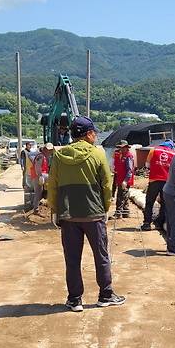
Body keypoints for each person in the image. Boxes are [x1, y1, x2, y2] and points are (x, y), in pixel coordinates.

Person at [47, 116, 125, 312]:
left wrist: (56, 210)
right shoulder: (97, 154)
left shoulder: (59, 155)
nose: (96, 136)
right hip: (93, 214)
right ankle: (105, 295)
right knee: (101, 256)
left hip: (68, 215)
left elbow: (52, 185)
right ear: (88, 134)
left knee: (72, 259)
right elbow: (107, 184)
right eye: (94, 132)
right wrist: (105, 207)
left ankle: (74, 299)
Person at [141, 140, 175, 231]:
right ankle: (160, 224)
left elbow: (147, 165)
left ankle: (147, 224)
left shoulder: (153, 150)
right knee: (164, 203)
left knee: (150, 202)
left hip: (154, 180)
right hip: (167, 182)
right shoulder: (174, 153)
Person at [112, 140, 134, 219]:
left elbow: (129, 170)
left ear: (126, 148)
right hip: (120, 178)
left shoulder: (128, 156)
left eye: (122, 148)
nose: (120, 149)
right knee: (124, 195)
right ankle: (126, 212)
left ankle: (118, 213)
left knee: (121, 196)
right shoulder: (121, 155)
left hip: (124, 180)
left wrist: (125, 181)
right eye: (120, 148)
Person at [32, 143, 54, 213]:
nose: (50, 152)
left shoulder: (46, 157)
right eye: (48, 150)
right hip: (39, 176)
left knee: (39, 192)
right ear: (45, 149)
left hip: (41, 175)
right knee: (38, 192)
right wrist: (40, 176)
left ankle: (37, 207)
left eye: (51, 150)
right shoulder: (41, 156)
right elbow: (37, 167)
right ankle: (36, 208)